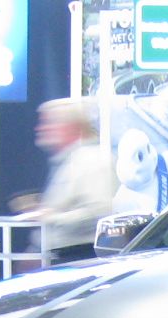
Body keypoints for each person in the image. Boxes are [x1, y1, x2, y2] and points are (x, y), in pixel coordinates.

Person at [28, 97, 116, 265]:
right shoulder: (69, 162)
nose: (40, 129)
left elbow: (99, 212)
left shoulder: (92, 161)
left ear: (72, 127)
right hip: (64, 258)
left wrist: (51, 218)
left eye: (48, 123)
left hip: (80, 259)